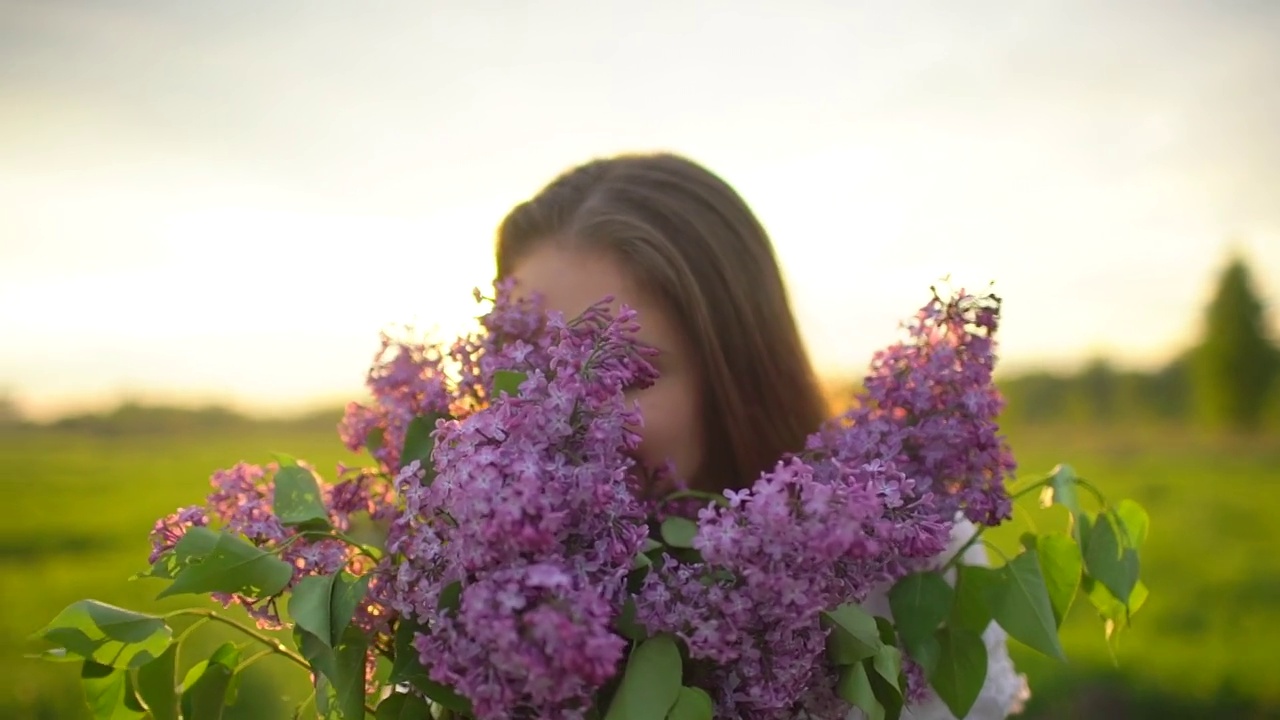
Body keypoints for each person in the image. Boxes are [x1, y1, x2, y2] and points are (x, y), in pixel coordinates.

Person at [494, 152, 1030, 719]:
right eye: (526, 370)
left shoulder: (900, 568)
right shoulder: (488, 588)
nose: (560, 420)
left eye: (623, 373)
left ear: (736, 369)